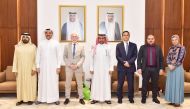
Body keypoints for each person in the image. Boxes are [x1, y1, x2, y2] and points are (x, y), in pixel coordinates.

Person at [36, 29, 61, 105]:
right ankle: (40, 98)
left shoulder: (56, 43)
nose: (48, 34)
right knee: (42, 82)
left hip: (53, 67)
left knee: (53, 82)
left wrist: (58, 66)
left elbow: (59, 56)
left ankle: (55, 99)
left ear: (52, 34)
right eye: (46, 33)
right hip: (42, 67)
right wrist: (37, 66)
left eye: (50, 33)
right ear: (45, 34)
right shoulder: (41, 43)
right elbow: (38, 55)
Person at [137, 34, 163, 104]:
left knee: (155, 84)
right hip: (145, 69)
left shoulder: (158, 47)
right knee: (145, 84)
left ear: (154, 39)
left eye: (152, 39)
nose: (150, 40)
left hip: (155, 69)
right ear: (147, 40)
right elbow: (139, 58)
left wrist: (161, 68)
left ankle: (154, 98)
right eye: (149, 39)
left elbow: (161, 59)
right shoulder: (142, 47)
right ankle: (143, 98)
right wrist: (139, 68)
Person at [12, 33, 37, 106]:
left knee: (30, 84)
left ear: (29, 38)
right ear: (21, 38)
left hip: (30, 70)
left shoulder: (33, 47)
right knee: (20, 84)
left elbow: (36, 59)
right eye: (24, 37)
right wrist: (15, 70)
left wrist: (34, 68)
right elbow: (15, 59)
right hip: (20, 70)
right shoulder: (17, 47)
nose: (25, 38)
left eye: (27, 37)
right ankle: (20, 99)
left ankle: (30, 99)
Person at [90, 34, 113, 104]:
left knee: (106, 83)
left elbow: (111, 58)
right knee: (96, 83)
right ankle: (95, 98)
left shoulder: (108, 47)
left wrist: (111, 68)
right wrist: (91, 68)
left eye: (103, 38)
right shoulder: (94, 47)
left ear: (105, 39)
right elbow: (91, 58)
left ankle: (107, 98)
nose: (101, 39)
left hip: (106, 69)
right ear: (98, 39)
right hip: (96, 69)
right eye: (100, 38)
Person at [116, 31, 138, 104]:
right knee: (120, 84)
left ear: (129, 36)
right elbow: (118, 56)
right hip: (121, 67)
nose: (125, 36)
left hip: (130, 67)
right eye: (124, 35)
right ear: (122, 36)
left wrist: (129, 62)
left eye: (127, 35)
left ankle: (130, 98)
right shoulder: (118, 45)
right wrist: (124, 62)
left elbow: (135, 56)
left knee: (131, 84)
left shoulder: (134, 45)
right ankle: (119, 98)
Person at [63, 33, 85, 105]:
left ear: (78, 38)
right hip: (69, 67)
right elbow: (64, 56)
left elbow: (83, 57)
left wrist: (77, 65)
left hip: (78, 67)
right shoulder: (66, 46)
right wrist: (70, 65)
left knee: (80, 83)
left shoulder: (81, 46)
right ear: (71, 38)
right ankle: (67, 98)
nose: (74, 38)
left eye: (75, 37)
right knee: (68, 83)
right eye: (73, 36)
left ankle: (81, 98)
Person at [165, 35, 186, 107]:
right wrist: (169, 65)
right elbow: (167, 57)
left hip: (178, 68)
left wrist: (174, 66)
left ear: (178, 40)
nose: (174, 41)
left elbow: (181, 58)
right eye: (172, 40)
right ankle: (172, 100)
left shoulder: (182, 48)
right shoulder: (170, 48)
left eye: (175, 39)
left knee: (177, 84)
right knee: (171, 84)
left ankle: (177, 101)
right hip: (170, 68)